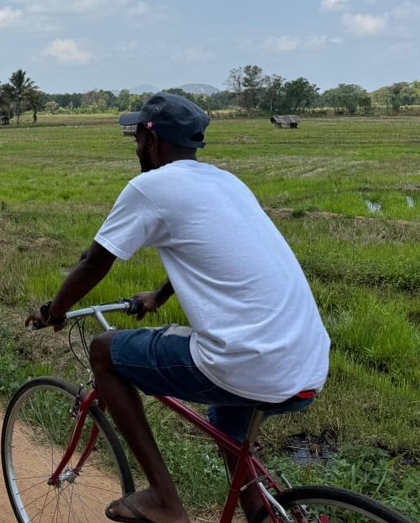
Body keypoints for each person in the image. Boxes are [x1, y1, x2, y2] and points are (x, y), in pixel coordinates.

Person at [25, 93, 330, 523]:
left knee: (104, 351)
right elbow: (217, 248)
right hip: (309, 359)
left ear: (151, 139)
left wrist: (53, 312)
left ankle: (164, 500)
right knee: (226, 420)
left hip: (250, 360)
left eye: (135, 136)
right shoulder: (227, 182)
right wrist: (161, 295)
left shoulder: (151, 186)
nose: (134, 147)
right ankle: (261, 513)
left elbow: (94, 262)